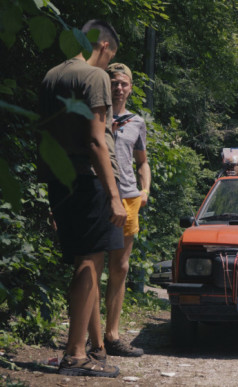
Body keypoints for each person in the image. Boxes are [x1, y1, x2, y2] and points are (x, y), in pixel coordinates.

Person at [39, 20, 125, 377]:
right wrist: (115, 195)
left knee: (81, 258)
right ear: (103, 45)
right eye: (110, 57)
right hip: (90, 181)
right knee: (90, 261)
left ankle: (80, 348)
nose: (108, 66)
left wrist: (50, 191)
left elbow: (44, 133)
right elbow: (95, 141)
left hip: (60, 179)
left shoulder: (52, 75)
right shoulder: (94, 76)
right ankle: (75, 354)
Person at [94, 62, 150, 357]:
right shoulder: (95, 114)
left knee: (121, 266)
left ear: (129, 88)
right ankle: (92, 338)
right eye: (113, 82)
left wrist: (145, 189)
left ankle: (112, 335)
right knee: (93, 264)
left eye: (123, 83)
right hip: (99, 193)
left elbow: (142, 161)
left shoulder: (137, 122)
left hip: (128, 198)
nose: (118, 87)